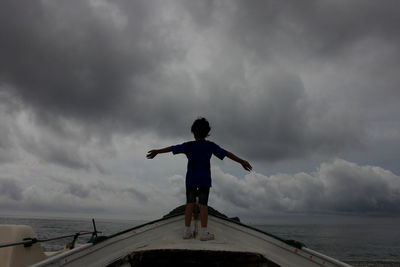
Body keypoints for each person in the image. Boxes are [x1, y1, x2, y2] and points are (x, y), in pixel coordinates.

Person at [146, 118, 252, 241]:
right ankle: (204, 233)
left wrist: (157, 152)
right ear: (207, 132)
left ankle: (186, 232)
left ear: (193, 132)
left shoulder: (188, 146)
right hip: (204, 178)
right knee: (203, 205)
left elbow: (172, 148)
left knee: (189, 204)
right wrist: (241, 162)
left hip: (191, 178)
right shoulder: (210, 146)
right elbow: (227, 153)